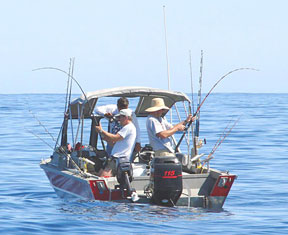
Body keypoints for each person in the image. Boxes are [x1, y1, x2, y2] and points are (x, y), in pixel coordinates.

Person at [95, 108, 136, 177]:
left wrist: (102, 131)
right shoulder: (126, 128)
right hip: (115, 158)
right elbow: (113, 143)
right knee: (99, 174)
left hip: (119, 158)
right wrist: (103, 136)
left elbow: (115, 137)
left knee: (103, 177)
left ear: (126, 117)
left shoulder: (128, 127)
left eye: (120, 117)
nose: (119, 120)